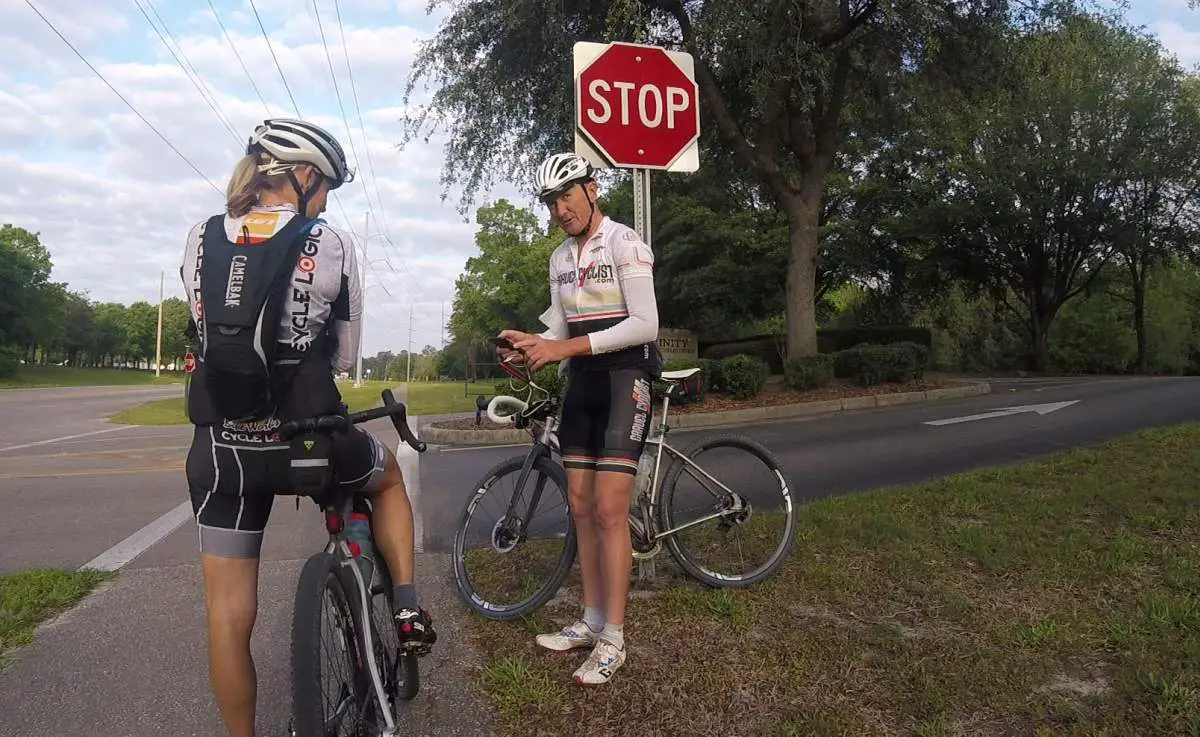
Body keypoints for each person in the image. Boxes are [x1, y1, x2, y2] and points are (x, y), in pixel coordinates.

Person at [180, 118, 435, 737]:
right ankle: (404, 603)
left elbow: (203, 330)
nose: (323, 203)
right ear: (301, 177)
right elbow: (345, 358)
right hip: (310, 439)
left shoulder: (199, 237)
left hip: (222, 448)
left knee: (227, 616)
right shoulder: (330, 242)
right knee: (390, 477)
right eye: (324, 189)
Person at [496, 152, 662, 686]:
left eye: (567, 195)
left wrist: (565, 348)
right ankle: (591, 620)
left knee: (611, 511)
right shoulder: (559, 259)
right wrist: (530, 349)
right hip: (583, 385)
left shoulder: (624, 243)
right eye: (550, 201)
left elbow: (646, 324)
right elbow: (559, 327)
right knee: (580, 506)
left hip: (624, 381)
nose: (559, 208)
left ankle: (614, 634)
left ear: (592, 190)